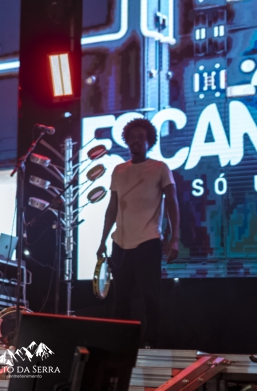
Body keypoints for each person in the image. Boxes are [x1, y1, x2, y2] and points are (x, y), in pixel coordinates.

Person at [97, 118, 180, 349]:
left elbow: (172, 203)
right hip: (120, 243)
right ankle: (121, 345)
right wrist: (102, 240)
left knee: (150, 296)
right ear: (126, 140)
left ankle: (151, 342)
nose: (136, 140)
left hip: (148, 241)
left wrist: (174, 238)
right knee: (121, 299)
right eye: (132, 137)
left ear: (149, 141)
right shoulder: (119, 170)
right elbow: (112, 208)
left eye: (141, 137)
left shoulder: (160, 168)